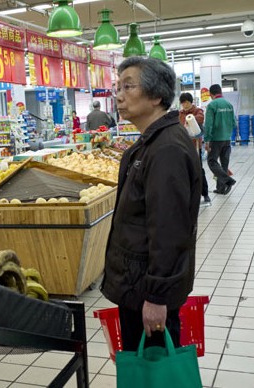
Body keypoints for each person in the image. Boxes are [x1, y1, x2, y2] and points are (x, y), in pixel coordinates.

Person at [101, 57, 201, 352]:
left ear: (156, 96)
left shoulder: (167, 148)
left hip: (147, 291)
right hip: (137, 286)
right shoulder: (152, 143)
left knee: (154, 373)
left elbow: (169, 231)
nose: (118, 95)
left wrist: (157, 297)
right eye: (118, 86)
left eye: (128, 86)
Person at [204, 84, 237, 195]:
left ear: (211, 94)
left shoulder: (212, 105)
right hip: (227, 138)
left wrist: (207, 140)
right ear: (220, 92)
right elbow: (234, 123)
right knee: (224, 163)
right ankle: (221, 188)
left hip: (216, 139)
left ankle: (228, 180)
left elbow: (208, 125)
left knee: (212, 161)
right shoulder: (229, 105)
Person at [179, 92, 211, 204]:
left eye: (186, 103)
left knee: (199, 171)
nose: (185, 105)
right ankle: (190, 195)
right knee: (186, 171)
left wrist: (190, 119)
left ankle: (205, 194)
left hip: (196, 147)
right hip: (184, 147)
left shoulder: (197, 111)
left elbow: (200, 118)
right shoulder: (180, 114)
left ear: (191, 102)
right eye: (183, 103)